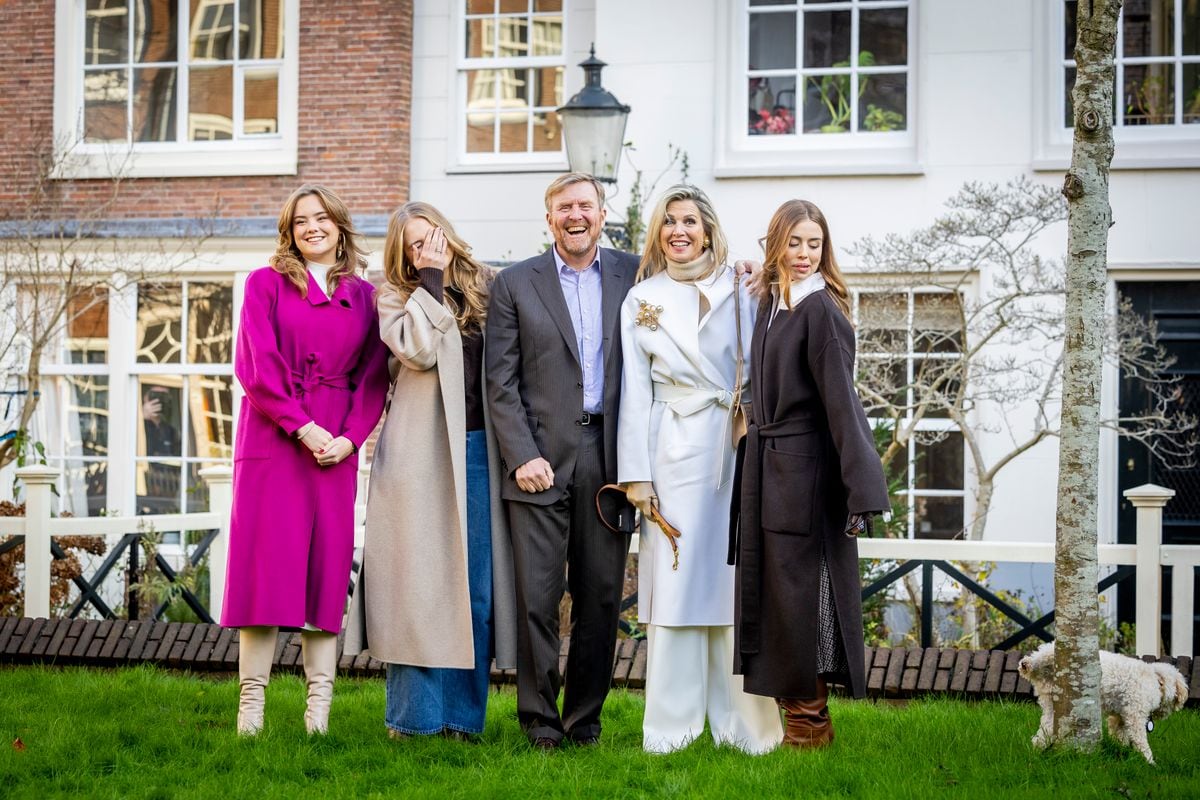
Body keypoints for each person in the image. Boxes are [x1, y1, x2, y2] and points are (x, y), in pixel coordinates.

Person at [616, 184, 783, 754]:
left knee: (736, 582)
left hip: (736, 444)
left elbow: (775, 347)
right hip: (673, 447)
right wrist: (636, 474)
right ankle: (672, 727)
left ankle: (746, 726)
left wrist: (766, 276)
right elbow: (635, 392)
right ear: (658, 233)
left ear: (708, 229)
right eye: (669, 222)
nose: (679, 231)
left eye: (689, 220)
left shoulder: (744, 287)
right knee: (678, 584)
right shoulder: (642, 299)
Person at [344, 202, 518, 740]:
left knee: (475, 591)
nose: (427, 250)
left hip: (478, 449)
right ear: (403, 253)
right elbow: (417, 350)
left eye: (432, 238)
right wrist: (432, 280)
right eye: (414, 244)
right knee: (419, 589)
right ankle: (415, 721)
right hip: (419, 458)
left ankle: (463, 722)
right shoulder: (395, 296)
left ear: (450, 233)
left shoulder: (491, 286)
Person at [220, 184, 388, 736]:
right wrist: (305, 427)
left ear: (340, 225)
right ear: (288, 233)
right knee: (266, 567)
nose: (312, 228)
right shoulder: (265, 285)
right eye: (300, 222)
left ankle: (319, 713)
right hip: (274, 443)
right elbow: (257, 367)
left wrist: (350, 438)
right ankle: (252, 708)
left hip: (335, 449)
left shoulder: (364, 296)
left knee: (325, 569)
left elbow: (371, 377)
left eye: (322, 218)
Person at [484, 172, 638, 750]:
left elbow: (694, 276)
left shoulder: (633, 274)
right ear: (549, 218)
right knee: (538, 600)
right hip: (538, 460)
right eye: (564, 207)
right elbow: (499, 381)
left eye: (586, 206)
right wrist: (521, 454)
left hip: (611, 459)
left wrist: (745, 272)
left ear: (603, 213)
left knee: (601, 597)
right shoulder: (515, 284)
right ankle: (540, 724)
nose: (577, 216)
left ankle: (584, 723)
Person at [730, 199, 889, 748]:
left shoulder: (822, 311)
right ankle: (797, 722)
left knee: (801, 601)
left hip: (805, 477)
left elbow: (844, 405)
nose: (803, 255)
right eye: (794, 242)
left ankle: (809, 728)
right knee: (775, 598)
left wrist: (860, 491)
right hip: (768, 469)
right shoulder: (776, 300)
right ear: (776, 243)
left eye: (813, 244)